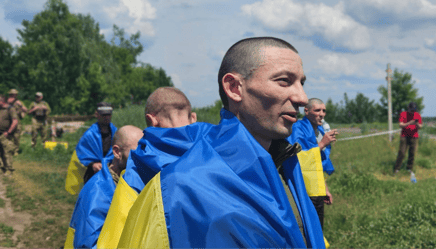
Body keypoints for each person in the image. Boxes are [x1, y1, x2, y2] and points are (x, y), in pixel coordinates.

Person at [116, 37, 325, 248]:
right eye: (284, 81)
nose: (302, 97)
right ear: (234, 88)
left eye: (302, 83)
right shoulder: (179, 189)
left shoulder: (287, 164)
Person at [97, 87, 197, 248]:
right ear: (193, 118)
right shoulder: (220, 157)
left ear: (151, 121)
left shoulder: (136, 174)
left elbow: (114, 240)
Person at [64, 125, 143, 249]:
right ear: (117, 152)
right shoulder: (97, 191)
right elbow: (89, 244)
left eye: (145, 150)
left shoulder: (131, 178)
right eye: (136, 151)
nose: (143, 156)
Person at [288, 98, 337, 230]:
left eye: (324, 111)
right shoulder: (297, 129)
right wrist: (322, 144)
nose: (321, 114)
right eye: (317, 110)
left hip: (316, 188)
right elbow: (296, 158)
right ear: (306, 111)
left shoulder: (320, 132)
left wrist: (324, 188)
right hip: (303, 188)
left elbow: (317, 163)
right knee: (305, 230)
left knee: (317, 229)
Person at [64, 102, 117, 195]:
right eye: (104, 115)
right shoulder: (89, 135)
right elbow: (81, 155)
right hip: (92, 174)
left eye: (109, 114)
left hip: (111, 173)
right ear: (97, 115)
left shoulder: (116, 133)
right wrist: (92, 164)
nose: (107, 117)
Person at [394, 102, 422, 175]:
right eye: (411, 110)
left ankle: (409, 168)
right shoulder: (403, 114)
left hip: (414, 136)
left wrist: (416, 124)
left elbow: (420, 126)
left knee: (412, 153)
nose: (413, 112)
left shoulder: (417, 115)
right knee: (402, 152)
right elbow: (400, 125)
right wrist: (409, 123)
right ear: (408, 108)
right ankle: (397, 168)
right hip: (404, 136)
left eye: (414, 110)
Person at [0, 96, 18, 175]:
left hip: (5, 134)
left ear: (2, 101)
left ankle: (9, 169)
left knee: (7, 152)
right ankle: (0, 168)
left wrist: (8, 132)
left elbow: (15, 121)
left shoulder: (10, 109)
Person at [7, 89, 27, 154]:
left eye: (15, 94)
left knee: (16, 136)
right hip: (8, 121)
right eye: (12, 94)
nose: (13, 96)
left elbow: (26, 110)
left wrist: (20, 105)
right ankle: (8, 150)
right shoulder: (7, 101)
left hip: (17, 121)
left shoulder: (19, 102)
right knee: (8, 136)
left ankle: (15, 151)